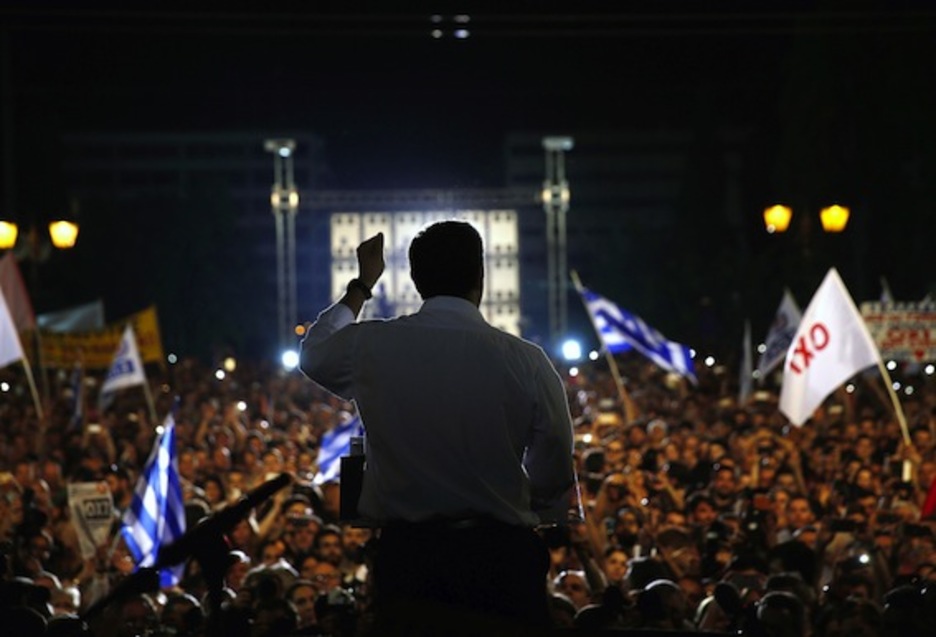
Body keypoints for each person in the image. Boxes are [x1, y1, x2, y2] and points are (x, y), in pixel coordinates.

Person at [299, 221, 577, 634]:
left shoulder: (372, 345)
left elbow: (314, 353)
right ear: (480, 276)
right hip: (501, 561)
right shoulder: (527, 360)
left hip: (411, 563)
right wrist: (526, 502)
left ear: (415, 279)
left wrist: (362, 284)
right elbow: (554, 454)